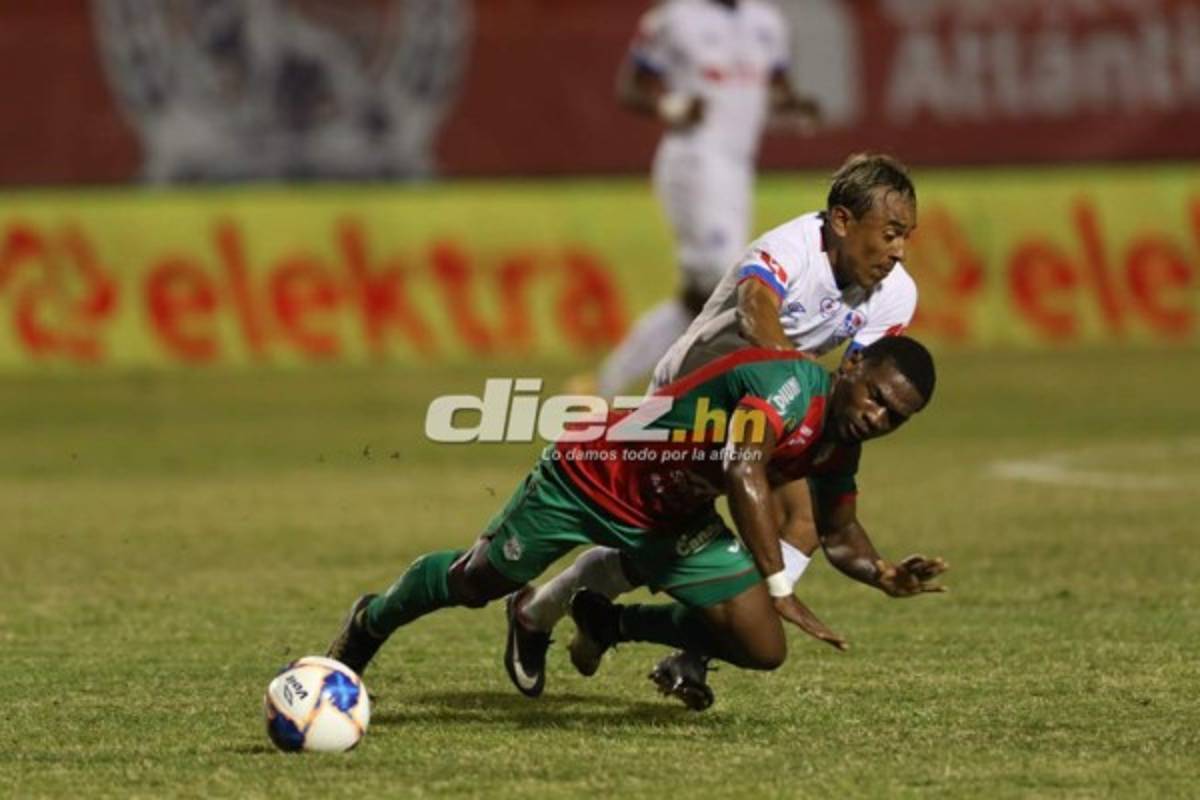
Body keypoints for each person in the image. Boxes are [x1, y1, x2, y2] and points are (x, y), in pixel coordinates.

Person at [326, 337, 948, 709]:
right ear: (852, 365)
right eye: (876, 397)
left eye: (896, 416)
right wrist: (780, 586)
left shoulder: (840, 444)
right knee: (475, 581)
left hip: (670, 515)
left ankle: (610, 618)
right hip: (595, 472)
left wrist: (886, 573)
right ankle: (368, 624)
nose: (877, 417)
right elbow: (742, 467)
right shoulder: (787, 384)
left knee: (761, 647)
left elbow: (839, 535)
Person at [512, 152, 919, 707]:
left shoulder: (896, 294)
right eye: (891, 233)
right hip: (694, 393)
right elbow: (756, 308)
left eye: (907, 237)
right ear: (844, 221)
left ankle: (679, 650)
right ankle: (545, 609)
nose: (899, 250)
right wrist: (794, 380)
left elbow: (859, 383)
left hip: (773, 405)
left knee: (800, 525)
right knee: (663, 540)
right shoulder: (793, 246)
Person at [586, 0, 821, 398]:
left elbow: (776, 88)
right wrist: (668, 105)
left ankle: (603, 384)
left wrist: (794, 106)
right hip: (693, 161)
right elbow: (630, 86)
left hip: (737, 170)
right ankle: (743, 391)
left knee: (698, 300)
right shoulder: (674, 19)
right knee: (732, 279)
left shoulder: (767, 21)